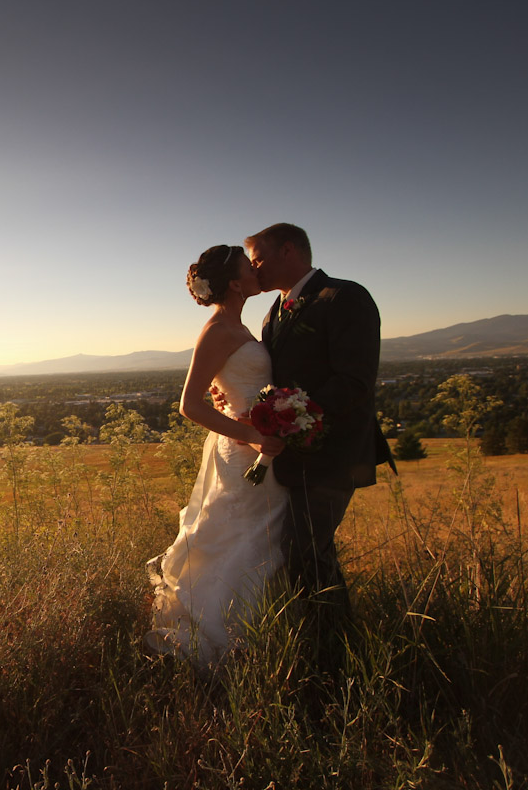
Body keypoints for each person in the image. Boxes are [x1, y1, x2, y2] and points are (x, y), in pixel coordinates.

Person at [242, 223, 394, 647]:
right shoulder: (275, 310)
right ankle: (319, 644)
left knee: (307, 554)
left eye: (258, 259)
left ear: (287, 250)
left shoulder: (345, 297)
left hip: (334, 453)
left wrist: (289, 413)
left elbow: (355, 380)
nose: (254, 270)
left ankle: (338, 653)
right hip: (292, 457)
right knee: (303, 555)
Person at [145, 244, 288, 670]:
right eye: (250, 266)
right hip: (244, 450)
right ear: (233, 282)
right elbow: (189, 405)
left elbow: (226, 384)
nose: (257, 270)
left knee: (262, 539)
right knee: (236, 536)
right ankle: (223, 641)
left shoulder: (242, 328)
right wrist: (251, 433)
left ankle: (260, 637)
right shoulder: (218, 330)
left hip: (259, 443)